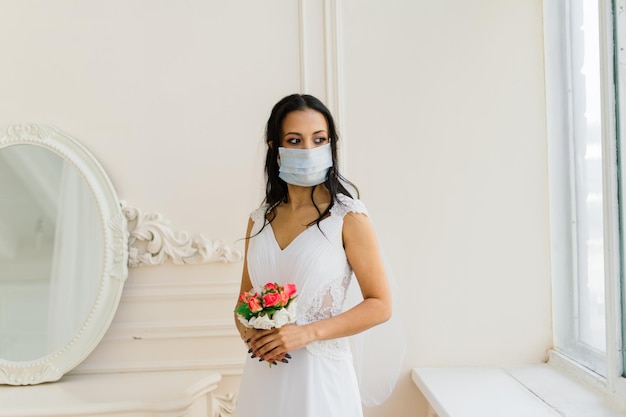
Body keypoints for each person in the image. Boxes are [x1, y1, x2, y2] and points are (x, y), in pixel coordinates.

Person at [234, 93, 396, 417]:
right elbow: (243, 301)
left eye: (318, 139)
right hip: (264, 378)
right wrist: (254, 335)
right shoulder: (259, 219)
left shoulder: (348, 218)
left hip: (320, 382)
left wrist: (306, 333)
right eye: (295, 140)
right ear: (275, 150)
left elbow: (381, 305)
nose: (308, 150)